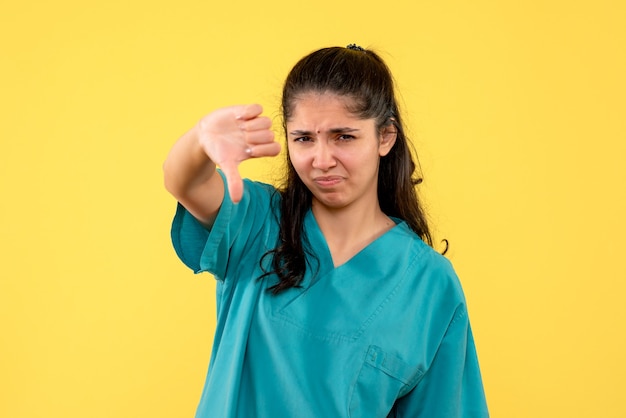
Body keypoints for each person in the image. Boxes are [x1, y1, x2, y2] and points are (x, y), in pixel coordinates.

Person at [163, 44, 489, 418]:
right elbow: (184, 183)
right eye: (303, 138)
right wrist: (200, 140)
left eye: (343, 137)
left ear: (385, 137)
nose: (321, 160)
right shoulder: (258, 222)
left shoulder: (429, 284)